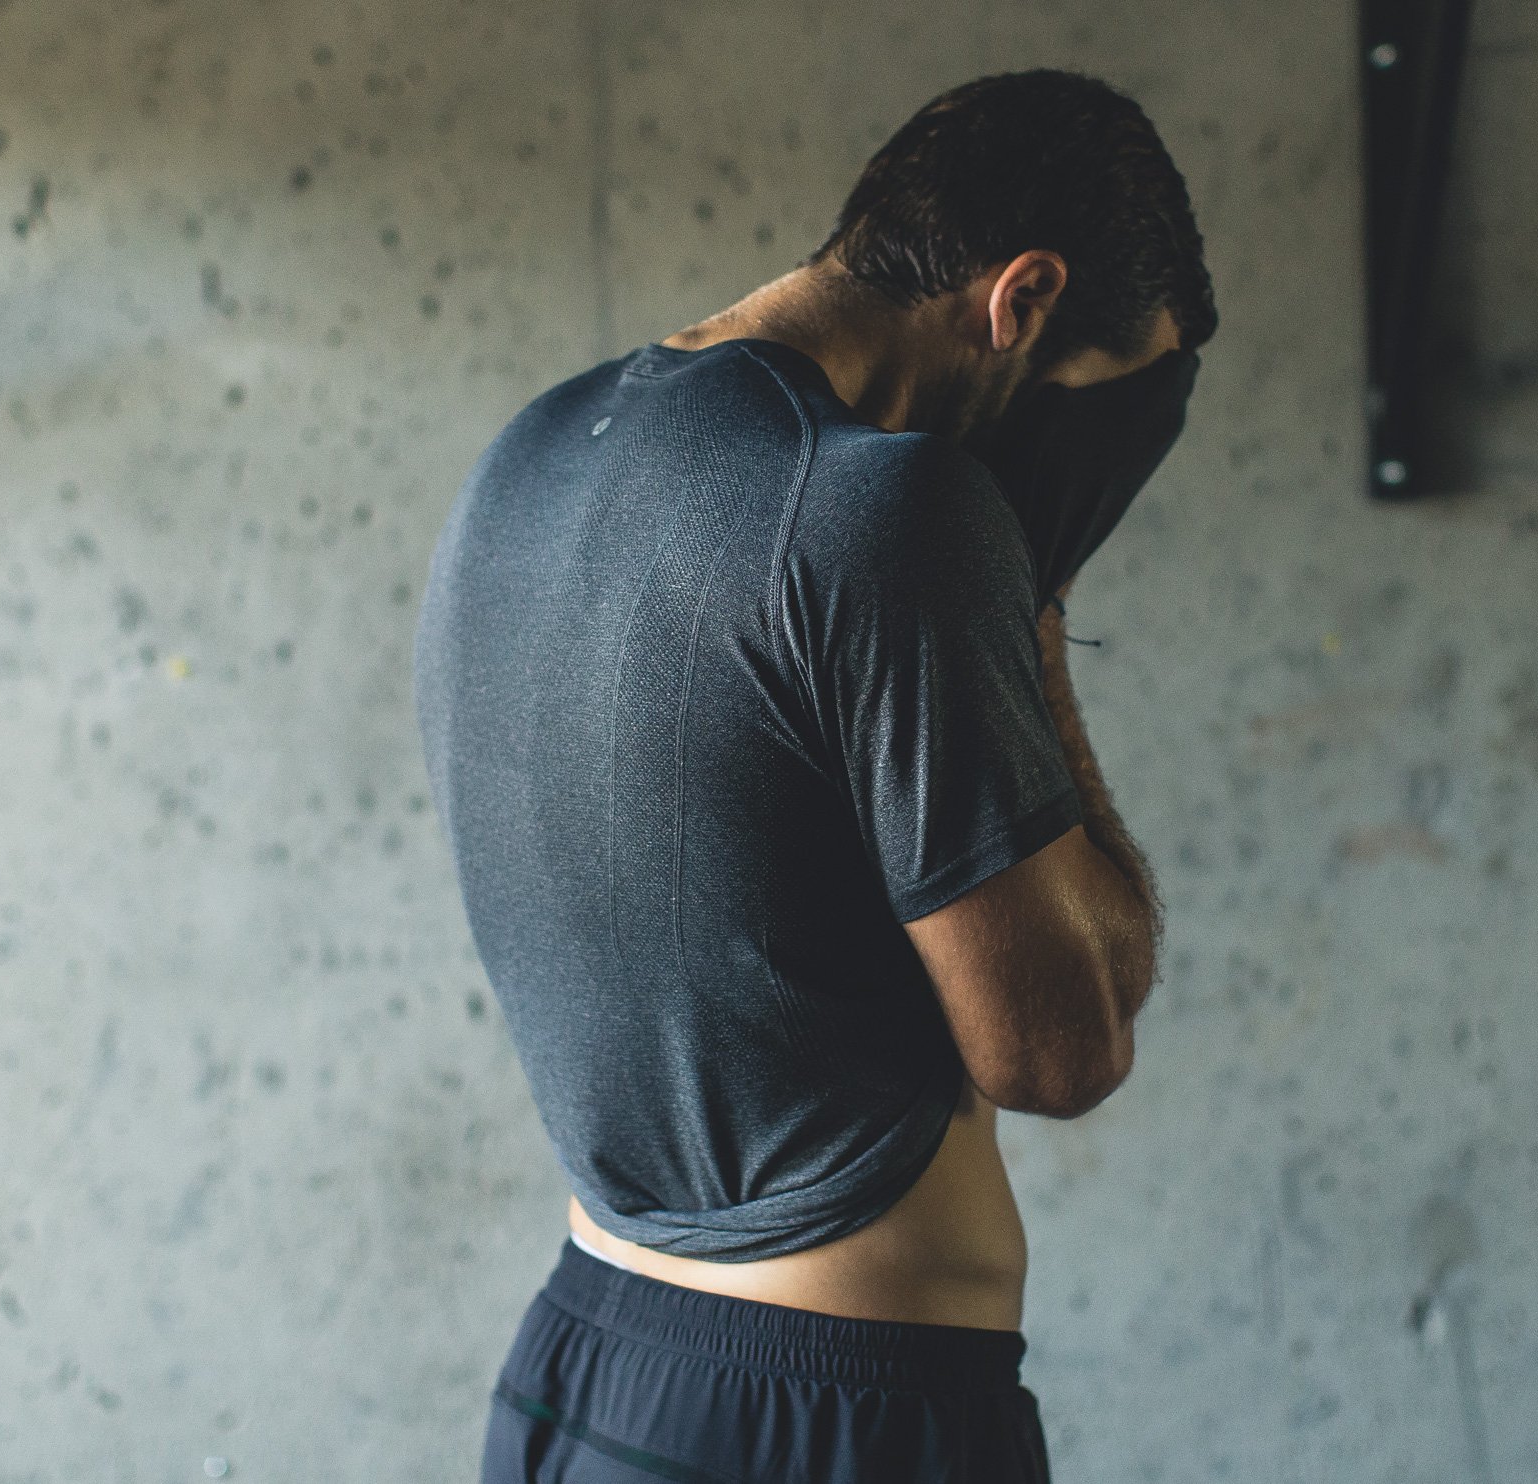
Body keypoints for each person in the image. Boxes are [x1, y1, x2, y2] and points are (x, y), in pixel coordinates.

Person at [414, 68, 1215, 1483]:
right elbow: (1065, 1045)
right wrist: (1035, 602)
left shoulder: (535, 453)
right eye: (1101, 406)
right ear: (1021, 300)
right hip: (826, 1414)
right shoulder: (891, 513)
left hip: (584, 1366)